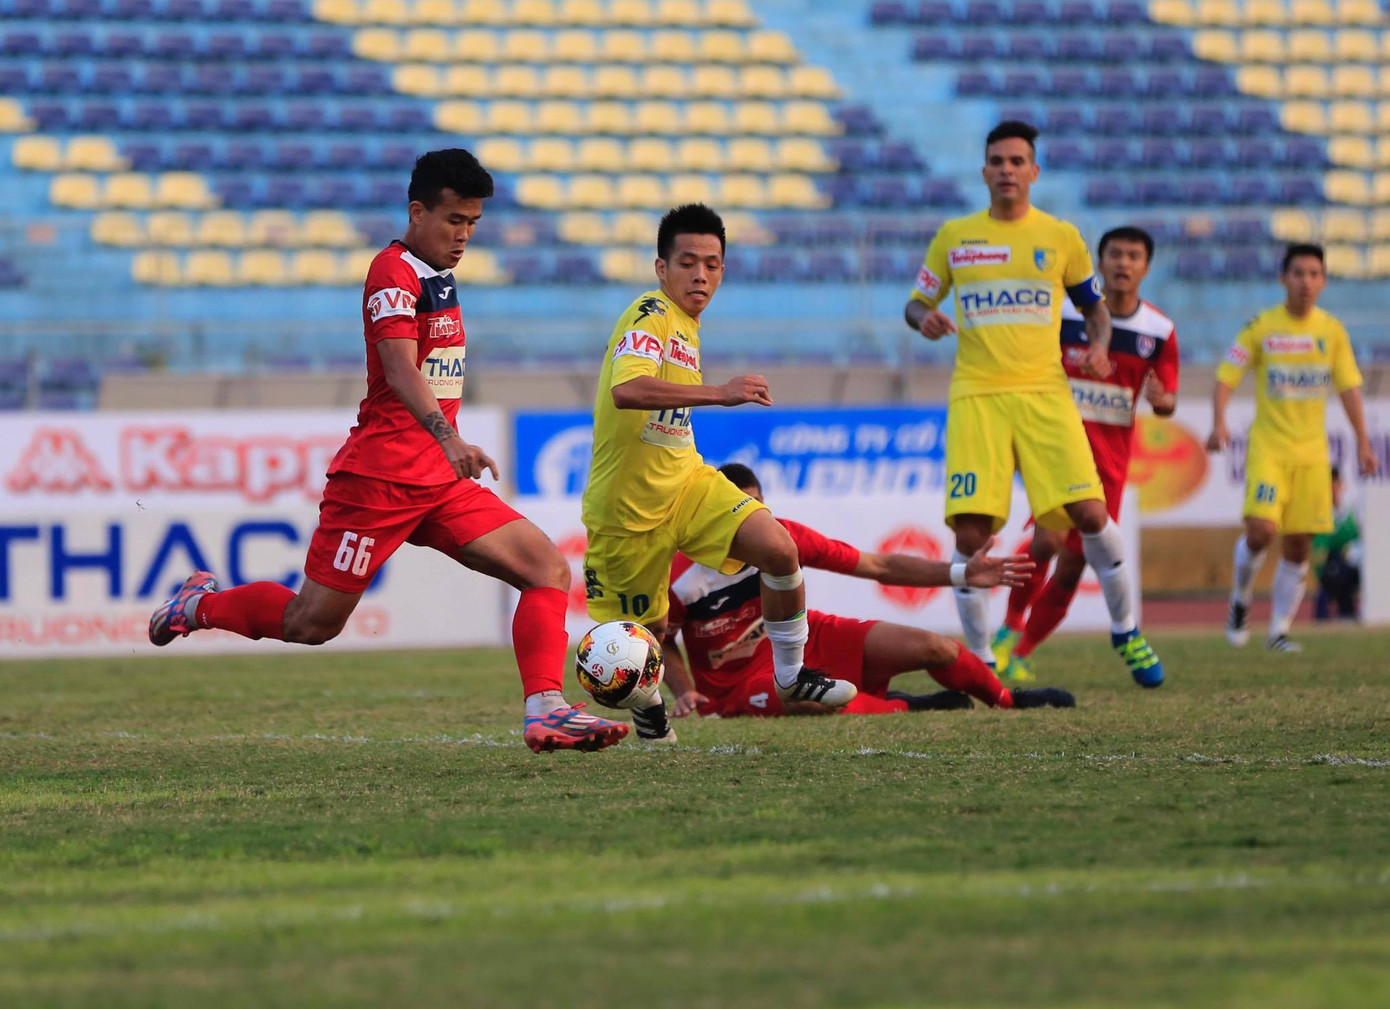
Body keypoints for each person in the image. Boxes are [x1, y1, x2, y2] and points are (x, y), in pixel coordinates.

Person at [148, 149, 628, 754]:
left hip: (439, 479)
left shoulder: (439, 272)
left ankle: (546, 710)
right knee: (311, 623)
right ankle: (199, 606)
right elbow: (400, 366)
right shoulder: (392, 273)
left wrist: (446, 444)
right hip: (379, 480)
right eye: (454, 220)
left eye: (473, 223)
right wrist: (448, 434)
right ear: (417, 211)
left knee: (547, 569)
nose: (464, 236)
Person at [581, 203, 858, 743]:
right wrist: (721, 392)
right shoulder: (650, 313)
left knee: (780, 550)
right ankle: (648, 707)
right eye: (687, 262)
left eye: (712, 263)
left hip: (687, 482)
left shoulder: (686, 325)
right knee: (647, 634)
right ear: (662, 268)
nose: (700, 274)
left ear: (724, 270)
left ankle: (791, 674)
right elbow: (628, 390)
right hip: (626, 511)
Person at [902, 120, 1164, 688]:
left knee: (1092, 516)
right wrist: (926, 318)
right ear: (984, 171)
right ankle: (981, 659)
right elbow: (915, 304)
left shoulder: (1061, 237)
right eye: (997, 161)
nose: (1007, 170)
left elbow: (1095, 310)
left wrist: (1098, 347)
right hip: (978, 397)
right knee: (971, 537)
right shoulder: (955, 236)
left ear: (1033, 172)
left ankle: (1126, 627)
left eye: (1017, 161)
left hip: (1046, 395)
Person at [662, 464, 1076, 719]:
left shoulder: (784, 538)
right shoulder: (681, 573)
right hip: (736, 688)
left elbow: (879, 565)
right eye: (738, 511)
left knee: (937, 648)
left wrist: (961, 573)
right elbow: (661, 638)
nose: (752, 522)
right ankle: (908, 707)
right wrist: (686, 693)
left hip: (810, 640)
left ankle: (1006, 702)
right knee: (810, 702)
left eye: (755, 509)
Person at [991, 226, 1179, 681]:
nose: (1123, 263)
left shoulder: (1158, 330)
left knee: (1075, 564)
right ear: (1100, 260)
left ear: (1145, 268)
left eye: (1134, 256)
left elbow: (1168, 397)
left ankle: (1022, 654)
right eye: (1115, 254)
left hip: (1110, 461)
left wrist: (1161, 399)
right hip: (1057, 446)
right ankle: (1008, 630)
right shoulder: (1062, 315)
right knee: (1047, 541)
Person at [1209, 244, 1376, 650]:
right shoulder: (1262, 326)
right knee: (1262, 531)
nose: (1306, 281)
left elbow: (1350, 388)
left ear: (1323, 281)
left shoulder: (1332, 331)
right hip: (1269, 448)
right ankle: (1240, 601)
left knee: (1300, 543)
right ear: (1283, 278)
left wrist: (1364, 442)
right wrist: (1219, 420)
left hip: (1312, 454)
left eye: (1314, 274)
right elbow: (1227, 374)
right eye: (1298, 273)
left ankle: (1278, 631)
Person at [1313, 466, 1361, 621]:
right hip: (1332, 567)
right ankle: (1325, 618)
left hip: (1353, 563)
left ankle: (1350, 613)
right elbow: (1319, 550)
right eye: (1329, 485)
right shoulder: (1321, 515)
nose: (1333, 489)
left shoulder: (1351, 511)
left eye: (1336, 484)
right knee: (1336, 571)